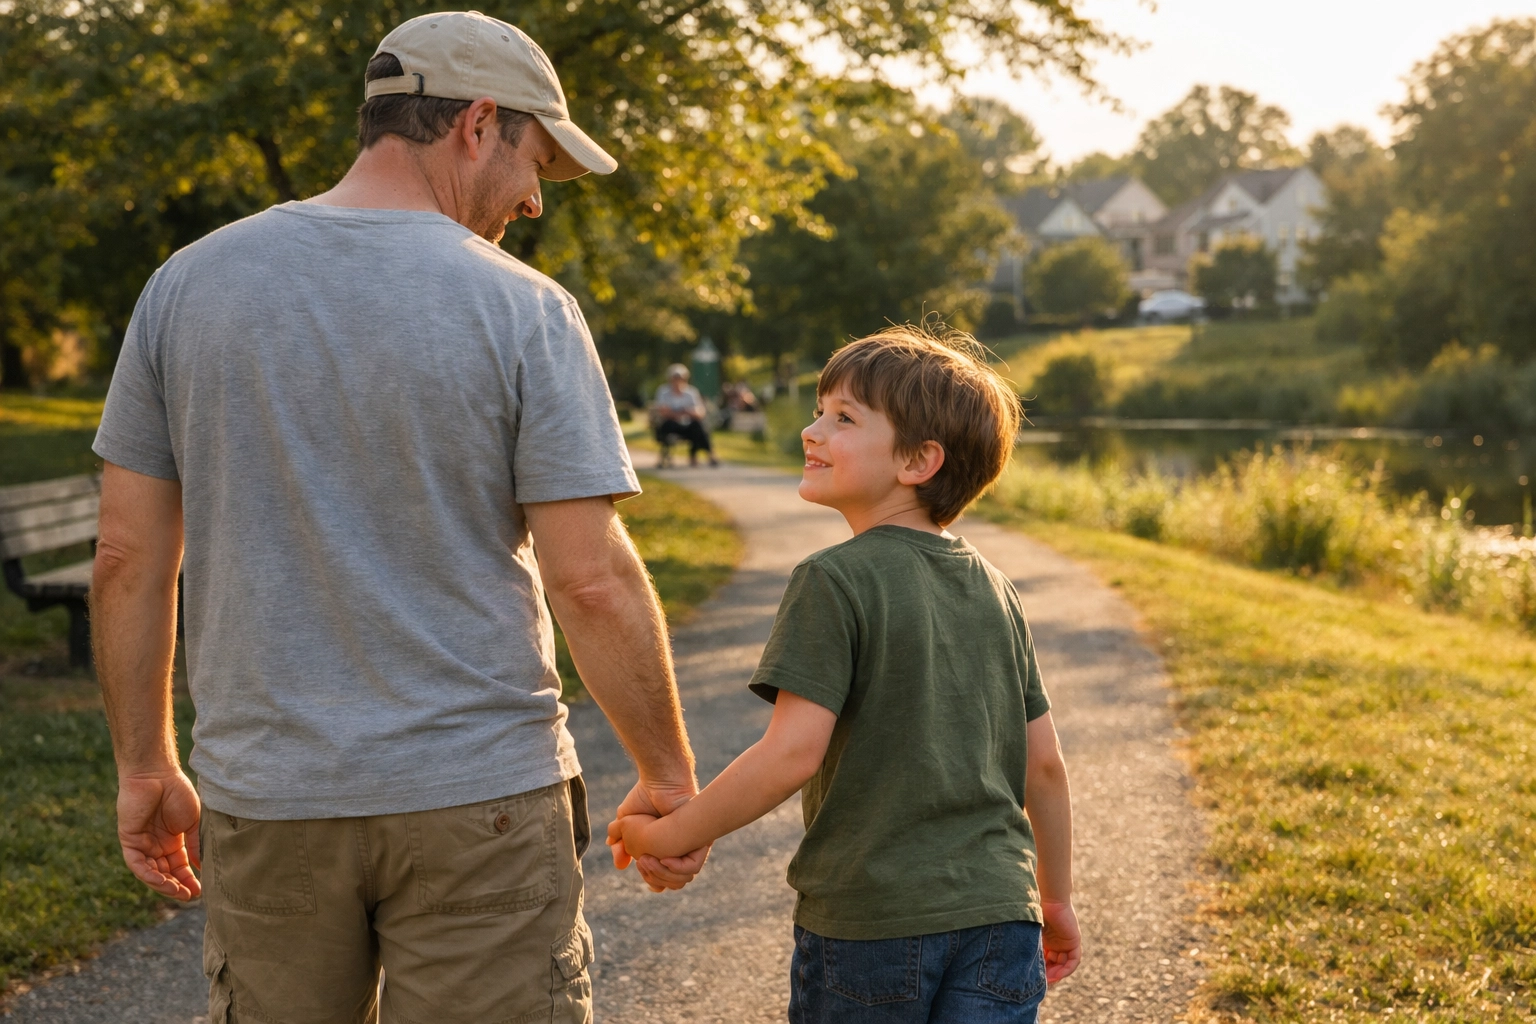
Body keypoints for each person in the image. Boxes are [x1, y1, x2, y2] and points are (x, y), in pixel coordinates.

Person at [90, 13, 706, 1024]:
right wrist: (669, 775)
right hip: (484, 799)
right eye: (535, 158)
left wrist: (145, 764)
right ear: (475, 124)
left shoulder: (185, 287)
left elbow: (126, 556)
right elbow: (587, 578)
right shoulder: (525, 309)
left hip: (269, 798)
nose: (535, 197)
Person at [609, 325, 1082, 1022]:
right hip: (1001, 921)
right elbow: (1044, 766)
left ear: (919, 461)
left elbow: (792, 753)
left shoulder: (834, 580)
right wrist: (1056, 899)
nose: (811, 431)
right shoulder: (996, 589)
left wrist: (674, 834)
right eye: (818, 411)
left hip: (873, 926)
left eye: (843, 419)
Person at [650, 363, 718, 467]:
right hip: (672, 424)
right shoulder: (663, 391)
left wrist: (683, 412)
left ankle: (703, 455)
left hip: (688, 424)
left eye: (680, 378)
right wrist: (679, 413)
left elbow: (700, 412)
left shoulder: (691, 392)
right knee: (666, 425)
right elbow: (662, 411)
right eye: (675, 377)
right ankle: (664, 457)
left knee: (698, 426)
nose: (677, 380)